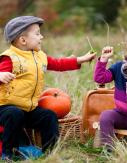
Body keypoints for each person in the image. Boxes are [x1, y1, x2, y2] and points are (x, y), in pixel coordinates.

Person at [0, 15, 96, 160]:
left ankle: (51, 153)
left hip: (28, 108)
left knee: (48, 116)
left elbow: (58, 64)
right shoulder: (10, 58)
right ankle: (8, 154)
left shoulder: (40, 56)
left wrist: (79, 59)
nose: (42, 37)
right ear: (23, 40)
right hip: (5, 109)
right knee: (14, 113)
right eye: (37, 34)